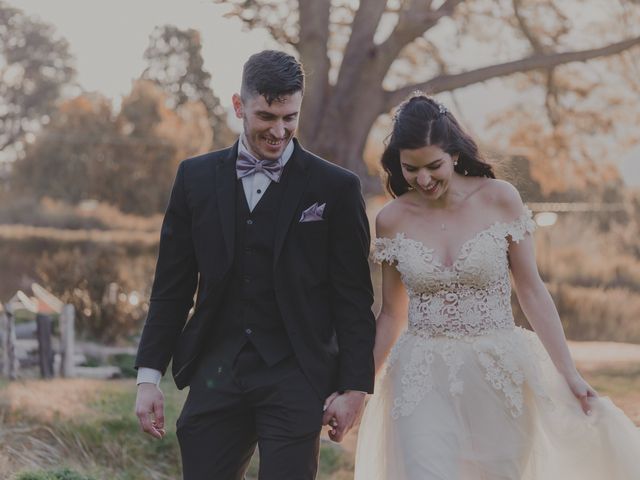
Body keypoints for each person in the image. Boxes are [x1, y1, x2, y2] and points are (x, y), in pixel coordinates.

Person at [354, 93, 640, 479]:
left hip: (497, 372)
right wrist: (359, 385)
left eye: (433, 166)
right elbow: (391, 314)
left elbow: (531, 289)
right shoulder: (391, 220)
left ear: (454, 154)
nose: (423, 180)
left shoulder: (500, 199)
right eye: (410, 168)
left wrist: (568, 371)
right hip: (421, 378)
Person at [134, 50, 376, 480]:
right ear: (239, 106)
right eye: (266, 116)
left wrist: (355, 387)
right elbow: (171, 288)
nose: (279, 131)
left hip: (296, 373)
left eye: (290, 117)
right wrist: (148, 378)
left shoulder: (336, 188)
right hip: (216, 370)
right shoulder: (194, 178)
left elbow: (353, 297)